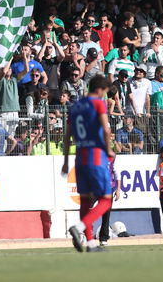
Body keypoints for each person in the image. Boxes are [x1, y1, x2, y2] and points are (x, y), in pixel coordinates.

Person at [62, 75, 115, 253]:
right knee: (106, 200)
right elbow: (106, 129)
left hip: (80, 158)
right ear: (100, 90)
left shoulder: (75, 107)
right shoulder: (98, 103)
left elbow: (67, 136)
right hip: (96, 156)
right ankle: (79, 228)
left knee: (85, 201)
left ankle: (91, 243)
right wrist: (108, 150)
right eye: (105, 93)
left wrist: (65, 161)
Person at [98, 157, 121, 247]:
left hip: (108, 188)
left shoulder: (111, 156)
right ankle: (83, 232)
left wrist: (118, 189)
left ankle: (103, 239)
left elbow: (116, 172)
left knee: (106, 214)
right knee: (87, 208)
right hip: (95, 187)